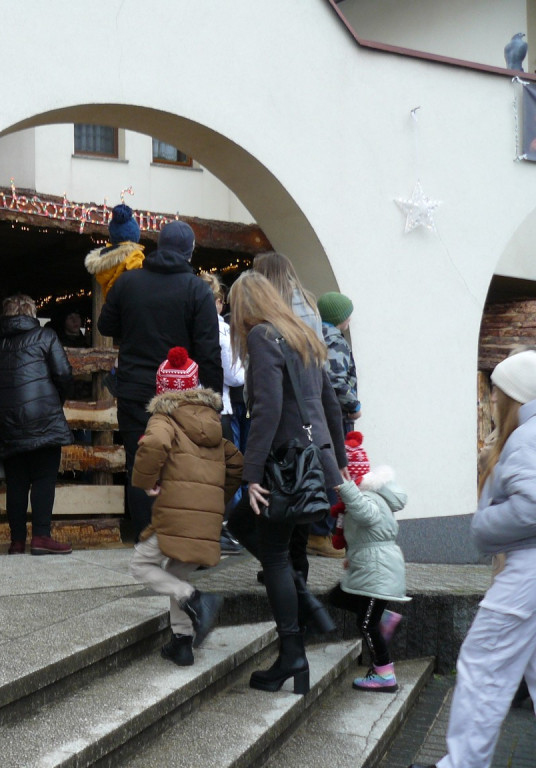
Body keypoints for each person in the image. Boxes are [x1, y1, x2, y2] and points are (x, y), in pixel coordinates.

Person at [225, 270, 348, 695]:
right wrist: (341, 465)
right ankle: (306, 605)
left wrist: (251, 473)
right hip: (317, 464)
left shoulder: (262, 336)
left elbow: (269, 409)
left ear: (247, 307)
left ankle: (293, 654)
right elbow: (331, 405)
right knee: (252, 531)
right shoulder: (303, 334)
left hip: (285, 466)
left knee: (273, 555)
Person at [410, 351, 536, 768]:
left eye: (495, 392)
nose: (490, 401)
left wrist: (483, 526)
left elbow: (532, 508)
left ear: (513, 397)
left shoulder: (525, 437)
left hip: (527, 575)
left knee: (483, 669)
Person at [98, 220, 222, 542]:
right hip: (182, 395)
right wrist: (214, 401)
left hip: (135, 390)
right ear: (189, 251)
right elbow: (209, 352)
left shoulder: (128, 283)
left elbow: (105, 324)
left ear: (157, 246)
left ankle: (145, 536)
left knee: (140, 462)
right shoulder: (197, 289)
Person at [129, 347, 243, 665]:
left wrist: (145, 481)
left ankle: (195, 599)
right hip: (205, 521)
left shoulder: (164, 417)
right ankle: (182, 642)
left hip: (175, 517)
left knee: (141, 565)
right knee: (178, 571)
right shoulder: (213, 422)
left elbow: (153, 445)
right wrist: (214, 501)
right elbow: (236, 462)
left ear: (163, 388)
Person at [253, 251, 341, 562]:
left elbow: (271, 399)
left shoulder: (271, 317)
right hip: (312, 407)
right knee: (303, 499)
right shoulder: (308, 302)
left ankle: (285, 574)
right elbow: (319, 365)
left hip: (290, 416)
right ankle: (294, 571)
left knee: (284, 503)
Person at [0, 294, 73, 555]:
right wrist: (56, 400)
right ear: (32, 314)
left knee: (16, 482)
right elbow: (64, 374)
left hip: (6, 423)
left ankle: (17, 541)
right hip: (43, 418)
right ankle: (42, 536)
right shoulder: (46, 337)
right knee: (44, 477)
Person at [327, 431, 410, 693]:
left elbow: (366, 515)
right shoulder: (364, 497)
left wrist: (346, 486)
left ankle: (385, 675)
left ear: (350, 476)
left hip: (379, 572)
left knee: (366, 623)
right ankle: (385, 619)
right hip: (372, 567)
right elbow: (364, 533)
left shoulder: (367, 498)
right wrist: (351, 558)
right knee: (338, 596)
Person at [200, 272, 246, 554]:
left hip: (190, 406)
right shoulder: (221, 330)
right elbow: (233, 374)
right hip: (220, 406)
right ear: (216, 301)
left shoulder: (184, 324)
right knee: (226, 471)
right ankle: (220, 528)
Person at [317, 291, 361, 435]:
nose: (349, 318)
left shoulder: (316, 336)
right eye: (347, 315)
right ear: (339, 318)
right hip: (337, 416)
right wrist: (354, 407)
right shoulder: (335, 342)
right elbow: (335, 380)